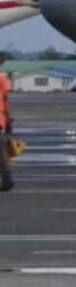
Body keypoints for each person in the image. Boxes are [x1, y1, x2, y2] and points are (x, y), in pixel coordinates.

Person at [0, 56, 12, 192]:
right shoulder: (2, 79)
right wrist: (9, 120)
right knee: (2, 150)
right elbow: (5, 102)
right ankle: (7, 178)